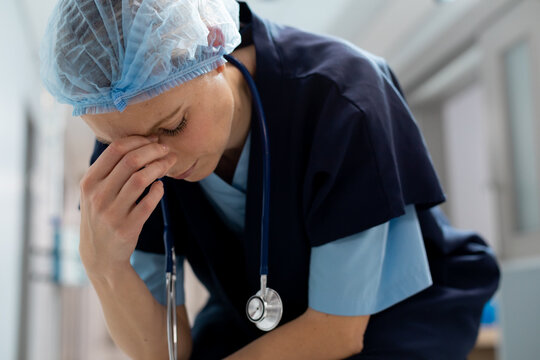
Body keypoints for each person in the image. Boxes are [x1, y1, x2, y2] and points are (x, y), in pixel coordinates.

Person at [40, 0, 500, 359]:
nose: (157, 161)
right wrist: (104, 266)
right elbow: (165, 351)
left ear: (214, 45)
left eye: (174, 125)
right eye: (124, 145)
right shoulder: (124, 151)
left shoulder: (342, 98)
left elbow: (336, 330)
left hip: (392, 314)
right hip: (254, 317)